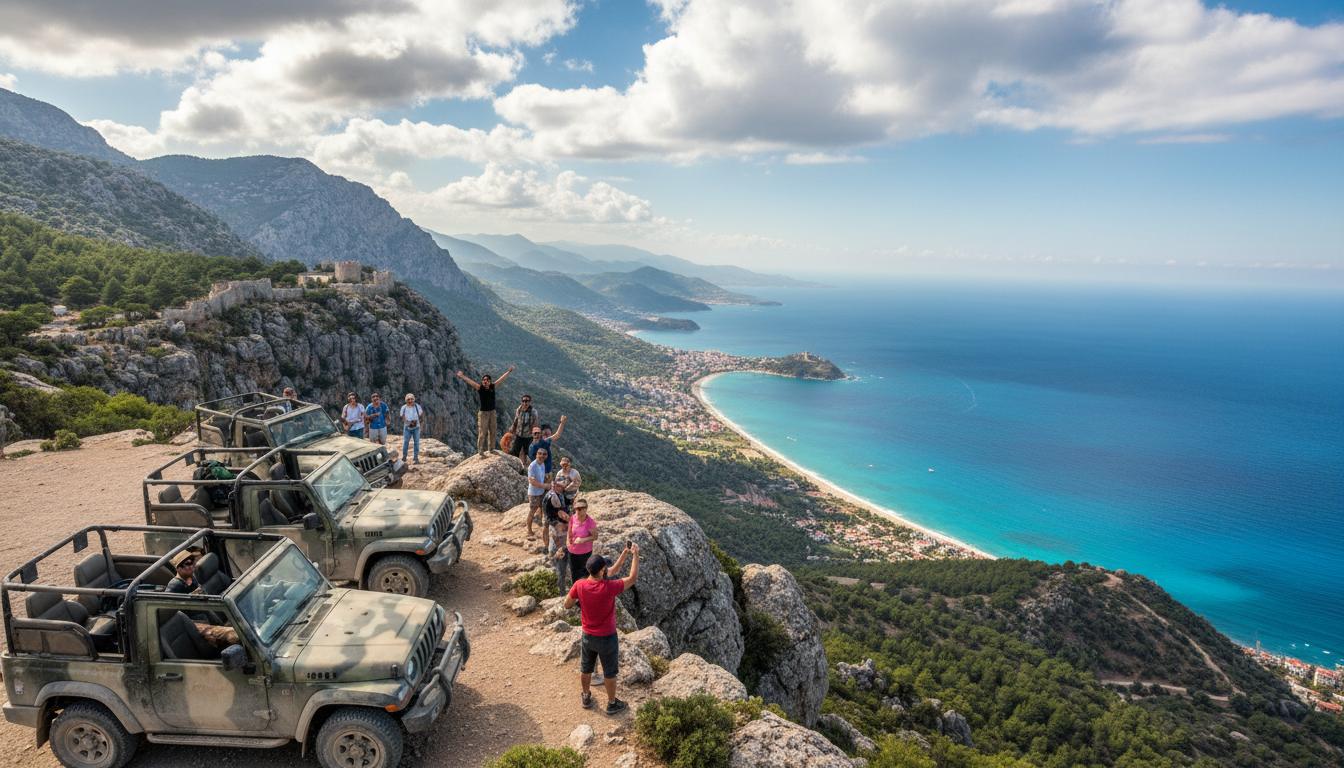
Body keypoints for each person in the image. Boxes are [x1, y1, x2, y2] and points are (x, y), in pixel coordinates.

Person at [564, 543, 639, 714]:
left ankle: (585, 695)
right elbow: (632, 578)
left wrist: (625, 553)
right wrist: (635, 555)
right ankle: (612, 703)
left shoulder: (580, 585)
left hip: (588, 635)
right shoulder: (609, 587)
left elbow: (567, 604)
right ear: (601, 570)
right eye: (605, 567)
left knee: (586, 667)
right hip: (607, 637)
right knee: (610, 672)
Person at [166, 550, 239, 649]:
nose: (191, 566)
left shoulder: (192, 578)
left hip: (206, 615)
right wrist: (190, 598)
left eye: (192, 562)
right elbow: (168, 608)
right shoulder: (174, 585)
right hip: (196, 623)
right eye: (187, 564)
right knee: (232, 635)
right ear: (178, 568)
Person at [456, 366, 515, 456]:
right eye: (484, 379)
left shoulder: (493, 387)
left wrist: (509, 371)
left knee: (493, 431)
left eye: (487, 379)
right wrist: (462, 376)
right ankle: (480, 451)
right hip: (483, 414)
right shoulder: (480, 389)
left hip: (492, 413)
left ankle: (491, 449)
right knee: (482, 432)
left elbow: (501, 379)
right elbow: (471, 382)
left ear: (490, 381)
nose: (485, 381)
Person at [566, 498, 598, 585]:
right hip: (572, 551)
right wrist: (568, 543)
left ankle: (585, 589)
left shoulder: (590, 522)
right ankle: (576, 590)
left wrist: (583, 540)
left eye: (580, 509)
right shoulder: (573, 518)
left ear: (585, 509)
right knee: (574, 572)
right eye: (576, 508)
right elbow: (569, 531)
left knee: (584, 572)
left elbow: (595, 537)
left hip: (585, 552)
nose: (577, 511)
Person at [542, 475, 570, 551]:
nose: (562, 488)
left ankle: (547, 546)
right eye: (559, 486)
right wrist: (568, 520)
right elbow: (559, 512)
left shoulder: (557, 493)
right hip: (552, 517)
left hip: (550, 515)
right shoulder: (553, 497)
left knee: (547, 528)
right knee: (557, 533)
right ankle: (551, 549)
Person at [509, 394, 539, 464]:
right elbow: (516, 420)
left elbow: (536, 423)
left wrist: (535, 436)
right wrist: (512, 427)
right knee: (515, 452)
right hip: (519, 435)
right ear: (521, 402)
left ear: (530, 402)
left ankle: (526, 469)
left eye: (527, 401)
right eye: (523, 401)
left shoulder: (533, 412)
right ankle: (516, 466)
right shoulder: (519, 409)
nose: (525, 403)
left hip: (528, 436)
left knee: (528, 454)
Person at [526, 447, 549, 539]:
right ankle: (529, 530)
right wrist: (544, 486)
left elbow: (541, 478)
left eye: (544, 454)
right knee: (532, 511)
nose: (541, 455)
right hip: (534, 493)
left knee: (543, 508)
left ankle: (542, 525)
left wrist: (547, 481)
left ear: (546, 456)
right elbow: (532, 481)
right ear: (536, 454)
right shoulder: (532, 466)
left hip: (542, 492)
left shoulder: (542, 464)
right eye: (540, 453)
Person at [399, 393, 424, 464]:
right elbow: (402, 416)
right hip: (407, 427)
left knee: (416, 442)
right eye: (408, 399)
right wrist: (408, 422)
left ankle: (416, 458)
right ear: (406, 400)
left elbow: (421, 416)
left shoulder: (417, 407)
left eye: (411, 399)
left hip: (416, 427)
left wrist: (421, 426)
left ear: (414, 399)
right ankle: (404, 457)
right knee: (406, 442)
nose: (410, 400)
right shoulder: (403, 407)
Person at [548, 518, 570, 593]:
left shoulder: (569, 526)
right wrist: (557, 554)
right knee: (561, 574)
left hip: (569, 549)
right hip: (560, 553)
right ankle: (562, 593)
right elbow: (551, 557)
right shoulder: (554, 531)